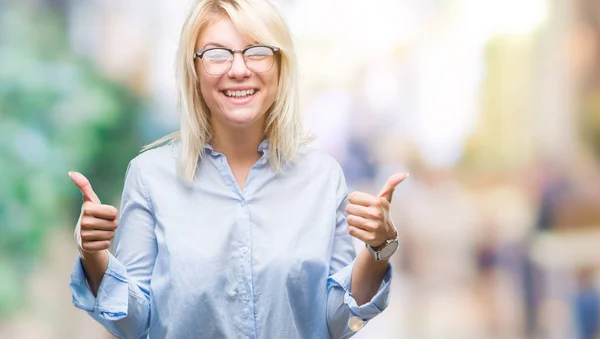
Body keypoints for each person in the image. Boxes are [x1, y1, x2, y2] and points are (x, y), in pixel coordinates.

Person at [68, 0, 407, 337]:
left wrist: (379, 249)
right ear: (194, 71)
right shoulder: (150, 176)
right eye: (217, 54)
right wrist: (95, 255)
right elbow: (132, 323)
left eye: (256, 51)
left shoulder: (323, 177)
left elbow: (335, 322)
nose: (239, 69)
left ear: (280, 65)